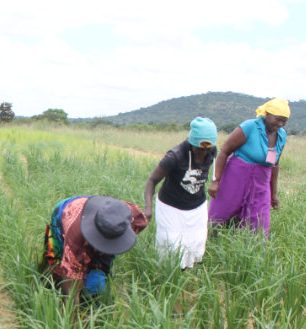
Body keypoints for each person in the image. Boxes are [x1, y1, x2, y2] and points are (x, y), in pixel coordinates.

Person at [143, 117, 218, 269]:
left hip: (197, 206)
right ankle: (167, 277)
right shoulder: (175, 156)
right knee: (171, 245)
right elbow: (152, 181)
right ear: (192, 142)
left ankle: (185, 274)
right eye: (199, 148)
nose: (203, 152)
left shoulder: (212, 152)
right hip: (171, 207)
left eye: (207, 149)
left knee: (195, 242)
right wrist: (148, 208)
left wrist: (216, 182)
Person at [208, 98, 290, 236]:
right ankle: (209, 246)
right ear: (268, 115)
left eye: (284, 121)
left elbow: (275, 164)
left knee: (259, 225)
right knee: (220, 217)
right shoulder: (249, 127)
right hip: (236, 177)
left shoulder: (281, 135)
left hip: (261, 183)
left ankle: (251, 254)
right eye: (278, 119)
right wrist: (216, 181)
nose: (281, 124)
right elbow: (224, 152)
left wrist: (273, 193)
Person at [40, 195, 147, 300]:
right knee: (58, 270)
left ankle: (93, 288)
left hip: (99, 215)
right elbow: (71, 293)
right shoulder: (76, 239)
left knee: (97, 286)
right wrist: (72, 314)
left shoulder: (131, 217)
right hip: (64, 214)